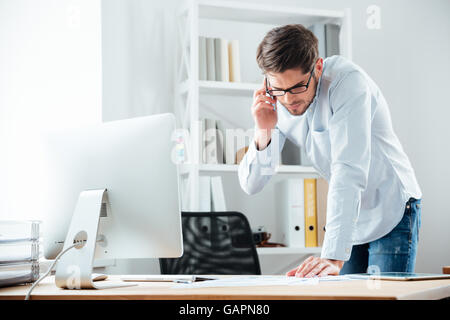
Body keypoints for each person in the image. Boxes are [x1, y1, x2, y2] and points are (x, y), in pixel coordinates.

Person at [238, 24, 422, 277]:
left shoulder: (348, 82)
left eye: (298, 87)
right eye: (279, 89)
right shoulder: (277, 95)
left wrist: (333, 257)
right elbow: (252, 184)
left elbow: (348, 169)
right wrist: (263, 130)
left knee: (382, 295)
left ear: (318, 67)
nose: (289, 100)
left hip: (390, 205)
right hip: (350, 215)